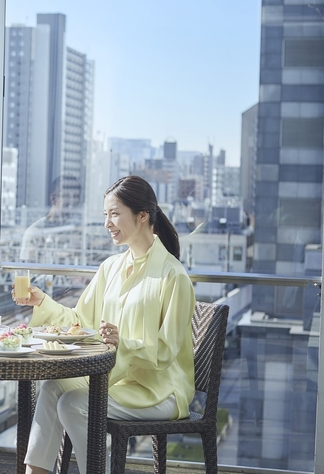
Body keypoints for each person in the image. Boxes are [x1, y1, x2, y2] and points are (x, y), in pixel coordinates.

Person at [14, 175, 196, 474]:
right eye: (105, 215)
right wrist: (42, 302)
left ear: (142, 215)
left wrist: (122, 342)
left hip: (159, 389)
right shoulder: (110, 267)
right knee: (52, 387)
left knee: (72, 403)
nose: (107, 223)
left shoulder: (173, 276)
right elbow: (80, 322)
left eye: (114, 214)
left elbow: (165, 351)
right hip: (116, 380)